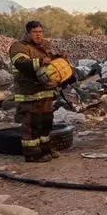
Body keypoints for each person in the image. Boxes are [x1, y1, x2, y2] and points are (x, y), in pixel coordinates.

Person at [9, 21, 68, 163]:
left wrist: (58, 58)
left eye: (40, 32)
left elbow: (50, 63)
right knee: (32, 124)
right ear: (28, 33)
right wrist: (41, 61)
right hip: (29, 93)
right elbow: (21, 64)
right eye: (35, 32)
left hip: (45, 91)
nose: (39, 35)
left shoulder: (44, 45)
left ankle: (45, 149)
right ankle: (32, 154)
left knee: (46, 122)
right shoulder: (19, 47)